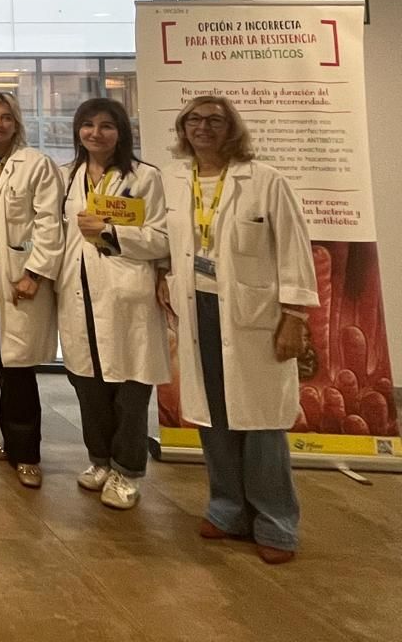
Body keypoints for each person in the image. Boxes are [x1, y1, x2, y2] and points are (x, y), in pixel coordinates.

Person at [160, 96, 317, 564]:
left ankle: (276, 523)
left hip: (253, 316)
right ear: (182, 127)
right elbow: (166, 242)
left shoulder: (265, 181)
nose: (203, 128)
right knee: (214, 416)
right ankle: (227, 508)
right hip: (197, 309)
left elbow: (294, 249)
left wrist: (295, 318)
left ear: (233, 128)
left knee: (262, 422)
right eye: (194, 120)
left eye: (215, 120)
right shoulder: (173, 180)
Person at [56, 97, 169, 509]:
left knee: (130, 390)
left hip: (127, 295)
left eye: (106, 126)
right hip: (78, 291)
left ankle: (127, 470)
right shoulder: (67, 176)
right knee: (88, 385)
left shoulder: (144, 178)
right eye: (88, 125)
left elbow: (162, 239)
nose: (96, 133)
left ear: (121, 132)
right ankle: (99, 460)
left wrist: (109, 232)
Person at [0, 92, 64, 488]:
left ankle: (28, 454)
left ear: (17, 123)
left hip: (16, 278)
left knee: (19, 367)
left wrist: (34, 274)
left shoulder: (35, 165)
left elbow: (49, 224)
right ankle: (10, 439)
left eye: (6, 117)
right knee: (5, 363)